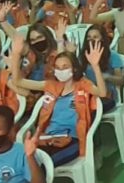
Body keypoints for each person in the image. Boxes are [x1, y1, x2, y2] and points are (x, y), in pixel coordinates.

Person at [7, 33, 108, 171]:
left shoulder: (83, 85)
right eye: (58, 68)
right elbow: (17, 81)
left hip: (72, 140)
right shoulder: (50, 85)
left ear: (74, 69)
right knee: (21, 164)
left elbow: (102, 93)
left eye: (65, 67)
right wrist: (16, 55)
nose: (61, 71)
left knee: (41, 167)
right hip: (47, 138)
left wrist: (95, 66)